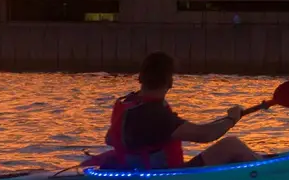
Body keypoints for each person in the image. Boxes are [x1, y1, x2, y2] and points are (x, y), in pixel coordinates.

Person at [102, 52, 266, 170]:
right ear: (170, 82)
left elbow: (110, 138)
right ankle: (269, 174)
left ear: (140, 78)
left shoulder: (128, 102)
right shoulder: (155, 115)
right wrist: (231, 119)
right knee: (232, 145)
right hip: (166, 177)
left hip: (138, 169)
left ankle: (257, 163)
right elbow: (205, 135)